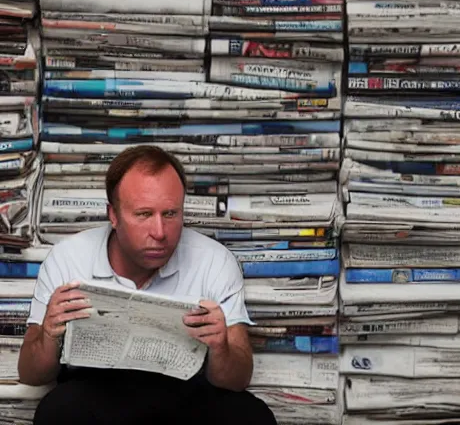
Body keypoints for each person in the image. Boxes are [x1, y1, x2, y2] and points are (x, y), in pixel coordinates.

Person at [17, 145, 277, 425]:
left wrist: (221, 347)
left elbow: (238, 379)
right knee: (56, 411)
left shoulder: (215, 260)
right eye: (143, 214)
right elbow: (31, 373)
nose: (160, 232)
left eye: (170, 214)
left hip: (188, 391)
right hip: (95, 392)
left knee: (253, 416)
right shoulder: (67, 258)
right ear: (113, 215)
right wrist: (49, 334)